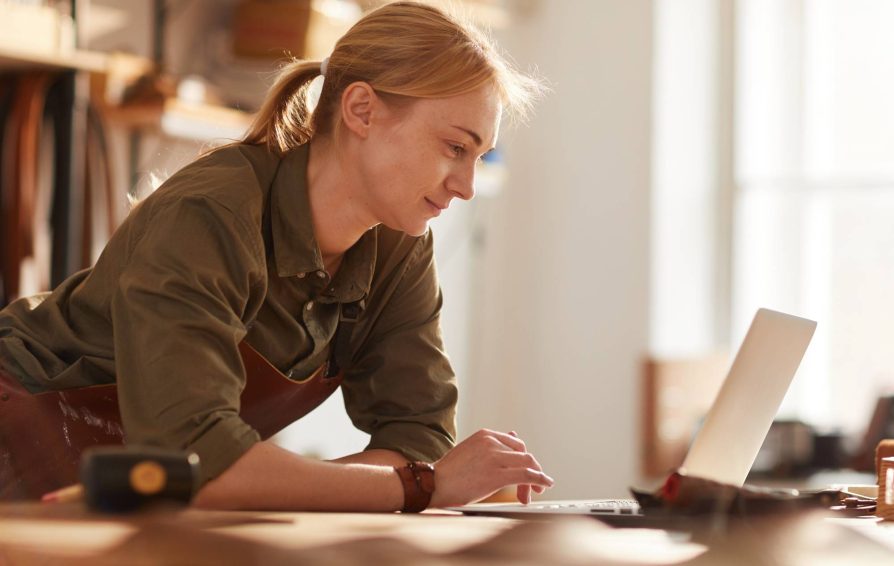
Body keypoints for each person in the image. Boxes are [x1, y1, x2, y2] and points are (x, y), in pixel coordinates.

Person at [0, 1, 553, 511]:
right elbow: (197, 460)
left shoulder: (399, 247)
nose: (467, 186)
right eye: (455, 147)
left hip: (130, 491)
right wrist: (417, 487)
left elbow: (418, 438)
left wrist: (395, 483)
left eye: (478, 156)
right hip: (16, 444)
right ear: (362, 110)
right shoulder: (210, 213)